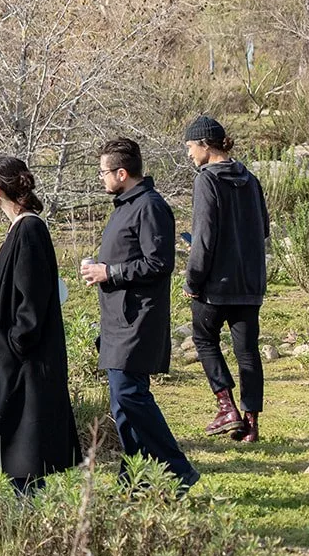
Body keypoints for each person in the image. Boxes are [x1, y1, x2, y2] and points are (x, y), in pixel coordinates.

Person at [81, 138, 200, 492]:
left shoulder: (150, 206)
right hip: (118, 318)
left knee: (131, 396)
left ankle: (178, 470)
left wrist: (110, 273)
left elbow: (159, 263)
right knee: (122, 403)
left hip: (138, 320)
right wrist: (99, 268)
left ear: (122, 172)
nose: (101, 178)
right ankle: (135, 481)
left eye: (104, 172)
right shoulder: (125, 205)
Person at [0, 157, 80, 492]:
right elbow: (18, 284)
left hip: (26, 357)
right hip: (16, 353)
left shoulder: (30, 229)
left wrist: (18, 341)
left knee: (25, 437)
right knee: (14, 433)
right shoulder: (19, 228)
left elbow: (33, 296)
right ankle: (27, 504)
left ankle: (30, 510)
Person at [183, 116, 270, 443]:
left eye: (191, 147)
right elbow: (263, 230)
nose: (190, 154)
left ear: (205, 144)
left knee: (204, 339)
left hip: (215, 286)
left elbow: (204, 240)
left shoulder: (206, 180)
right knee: (247, 352)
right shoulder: (251, 179)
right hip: (249, 284)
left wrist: (192, 281)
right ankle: (251, 426)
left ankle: (226, 408)